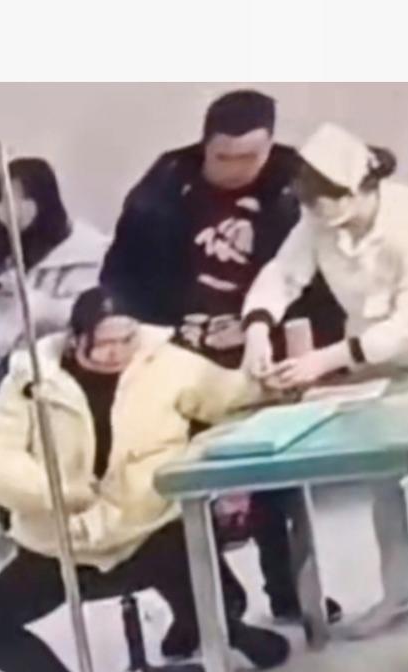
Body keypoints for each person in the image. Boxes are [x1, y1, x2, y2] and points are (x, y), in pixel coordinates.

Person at [104, 92, 342, 630]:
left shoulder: (294, 185)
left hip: (266, 351)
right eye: (222, 157)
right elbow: (122, 277)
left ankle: (291, 590)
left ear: (271, 145)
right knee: (180, 488)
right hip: (180, 356)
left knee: (277, 479)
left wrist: (304, 344)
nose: (234, 169)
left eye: (248, 157)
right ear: (204, 145)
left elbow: (320, 277)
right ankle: (207, 606)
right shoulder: (166, 183)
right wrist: (153, 337)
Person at [0, 293, 285, 672]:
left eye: (127, 339)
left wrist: (276, 383)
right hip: (62, 543)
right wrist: (57, 494)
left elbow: (234, 399)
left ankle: (231, 632)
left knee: (215, 590)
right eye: (104, 343)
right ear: (76, 339)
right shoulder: (31, 381)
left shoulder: (167, 364)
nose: (116, 352)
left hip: (148, 528)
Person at [0, 158, 105, 573]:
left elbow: (95, 317)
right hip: (2, 362)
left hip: (63, 362)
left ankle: (73, 508)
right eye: (3, 200)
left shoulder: (85, 254)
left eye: (23, 199)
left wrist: (43, 310)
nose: (11, 210)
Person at [245, 121, 408, 388]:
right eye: (307, 199)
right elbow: (283, 273)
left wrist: (326, 359)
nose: (314, 209)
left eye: (322, 199)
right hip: (379, 373)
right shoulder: (319, 221)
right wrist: (257, 329)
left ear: (357, 190)